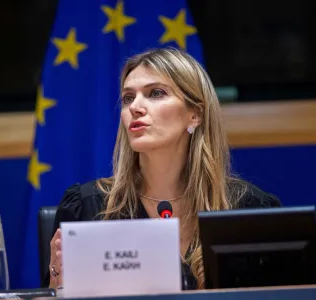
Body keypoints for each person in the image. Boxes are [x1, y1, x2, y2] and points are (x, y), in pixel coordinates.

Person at [44, 47, 281, 290]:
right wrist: (57, 282)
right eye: (128, 98)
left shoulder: (248, 209)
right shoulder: (88, 207)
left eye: (155, 93)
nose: (135, 107)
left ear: (195, 114)